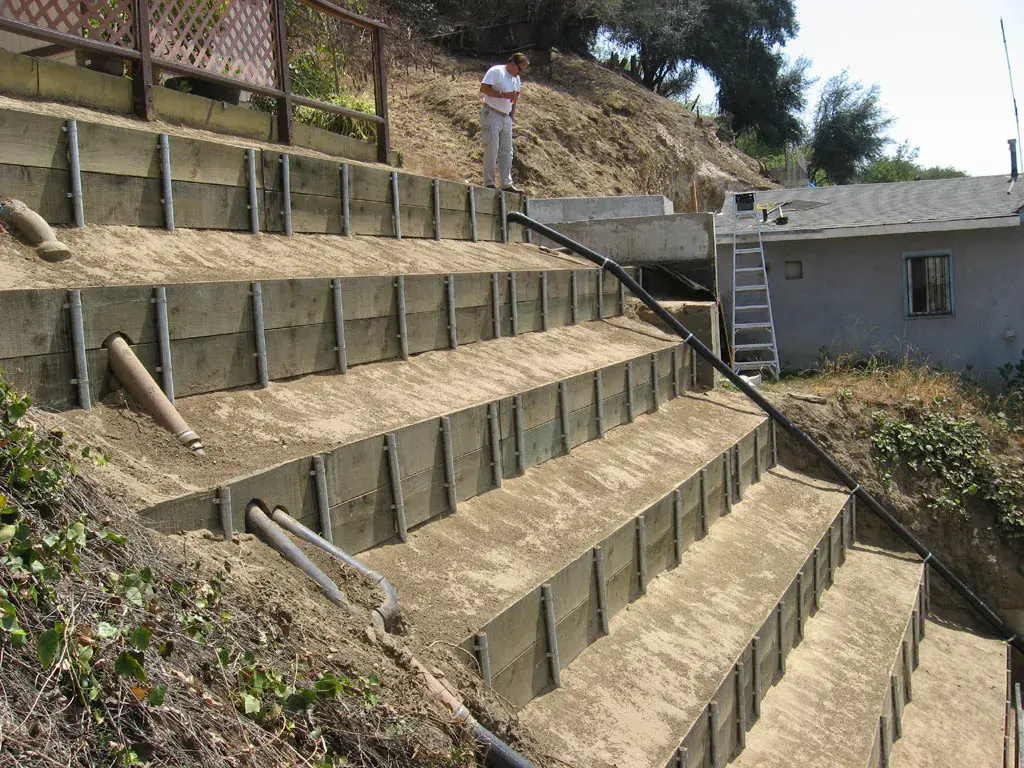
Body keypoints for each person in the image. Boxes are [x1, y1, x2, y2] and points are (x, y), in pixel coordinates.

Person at [479, 53, 528, 193]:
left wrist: (511, 116)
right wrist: (503, 95)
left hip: (506, 117)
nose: (520, 72)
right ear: (512, 63)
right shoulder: (496, 71)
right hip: (492, 113)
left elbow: (515, 99)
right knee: (491, 149)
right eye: (520, 69)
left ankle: (506, 184)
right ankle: (489, 183)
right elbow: (484, 88)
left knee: (507, 151)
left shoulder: (516, 79)